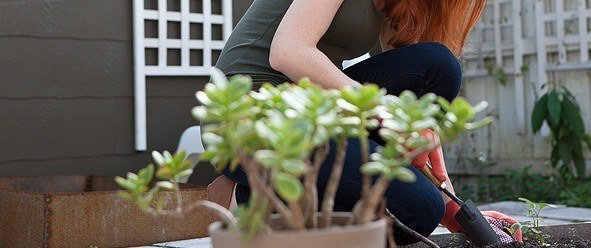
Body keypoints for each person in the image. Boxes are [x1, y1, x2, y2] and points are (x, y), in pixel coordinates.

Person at [209, 0, 523, 245]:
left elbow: (409, 122)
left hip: (312, 109)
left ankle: (281, 196)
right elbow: (288, 51)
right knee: (418, 211)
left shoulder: (399, 6)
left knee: (439, 65)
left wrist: (456, 211)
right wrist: (380, 108)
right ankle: (249, 196)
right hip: (252, 114)